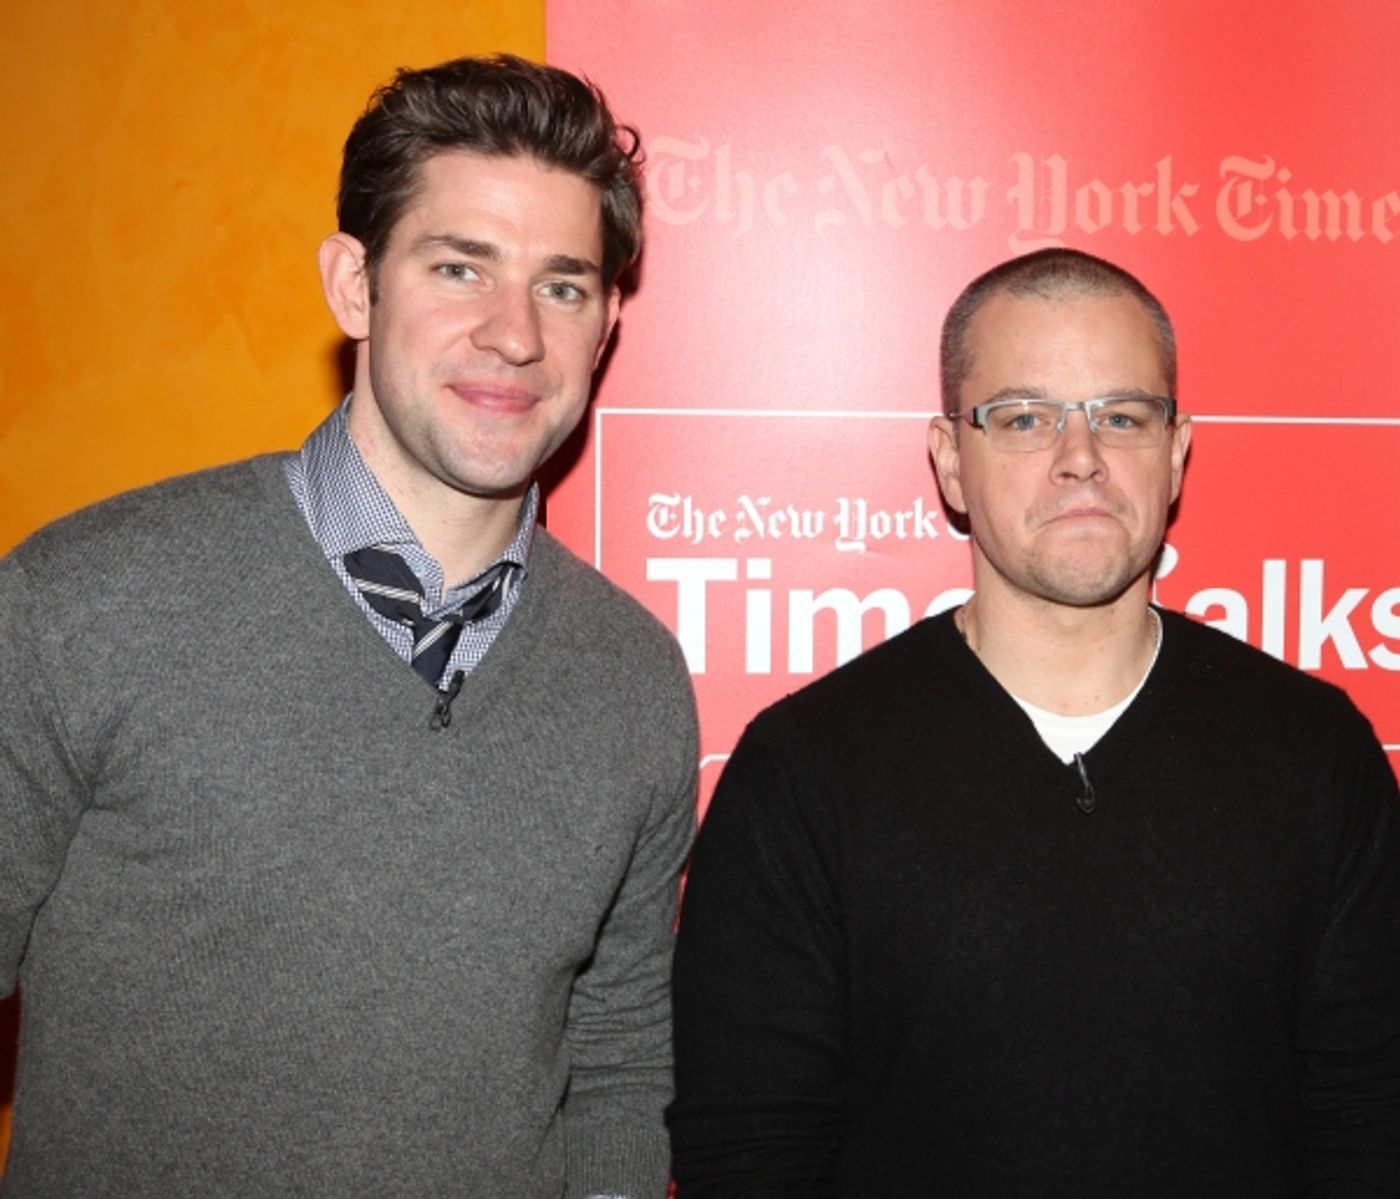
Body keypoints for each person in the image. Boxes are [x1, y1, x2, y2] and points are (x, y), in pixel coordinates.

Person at [0, 55, 696, 1198]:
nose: (513, 334)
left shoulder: (632, 675)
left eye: (562, 286)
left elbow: (617, 1059)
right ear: (354, 285)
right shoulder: (86, 600)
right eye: (459, 266)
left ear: (606, 325)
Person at [668, 248, 1400, 1196]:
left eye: (1123, 416)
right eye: (1023, 417)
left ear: (1176, 453)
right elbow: (748, 1152)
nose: (1080, 457)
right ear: (950, 462)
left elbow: (1371, 1120)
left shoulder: (1317, 755)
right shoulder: (805, 770)